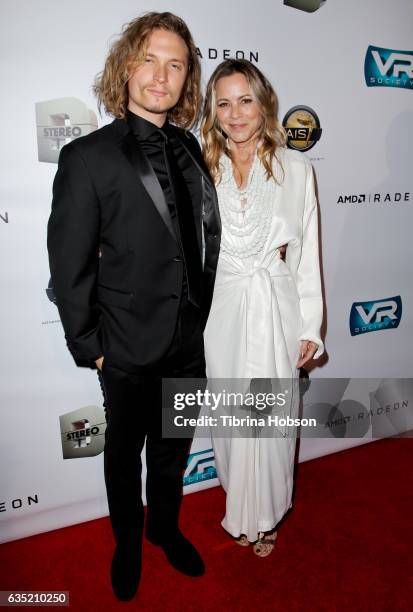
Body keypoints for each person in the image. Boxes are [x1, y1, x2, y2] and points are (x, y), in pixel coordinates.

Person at [47, 12, 220, 600]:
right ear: (125, 67)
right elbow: (69, 266)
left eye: (175, 64)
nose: (160, 75)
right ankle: (127, 540)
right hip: (124, 344)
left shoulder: (190, 145)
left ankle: (165, 530)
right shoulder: (88, 157)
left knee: (173, 449)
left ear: (185, 78)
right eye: (149, 59)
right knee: (124, 458)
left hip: (187, 340)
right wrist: (92, 347)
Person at [200, 59, 324, 557]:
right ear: (213, 110)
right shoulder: (201, 166)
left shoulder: (296, 168)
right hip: (223, 306)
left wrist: (310, 325)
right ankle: (240, 503)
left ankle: (268, 514)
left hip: (276, 302)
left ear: (263, 102)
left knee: (271, 422)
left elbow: (307, 251)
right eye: (224, 103)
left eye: (245, 100)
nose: (235, 114)